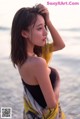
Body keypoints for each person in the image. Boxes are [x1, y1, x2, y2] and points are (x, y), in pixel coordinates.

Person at [11, 3, 66, 119]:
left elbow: (60, 45)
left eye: (44, 27)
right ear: (24, 33)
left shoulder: (21, 58)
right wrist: (58, 80)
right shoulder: (37, 63)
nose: (45, 33)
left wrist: (48, 21)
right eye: (39, 28)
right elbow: (52, 104)